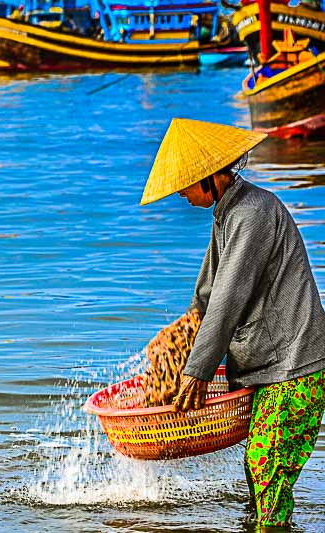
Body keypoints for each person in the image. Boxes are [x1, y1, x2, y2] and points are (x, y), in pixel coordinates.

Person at [140, 118, 325, 528]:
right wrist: (177, 342)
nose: (182, 196)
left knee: (266, 468)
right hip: (275, 370)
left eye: (185, 186)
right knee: (260, 473)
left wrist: (197, 371)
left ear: (209, 178)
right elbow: (206, 296)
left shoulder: (253, 213)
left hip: (296, 368)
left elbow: (227, 300)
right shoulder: (228, 214)